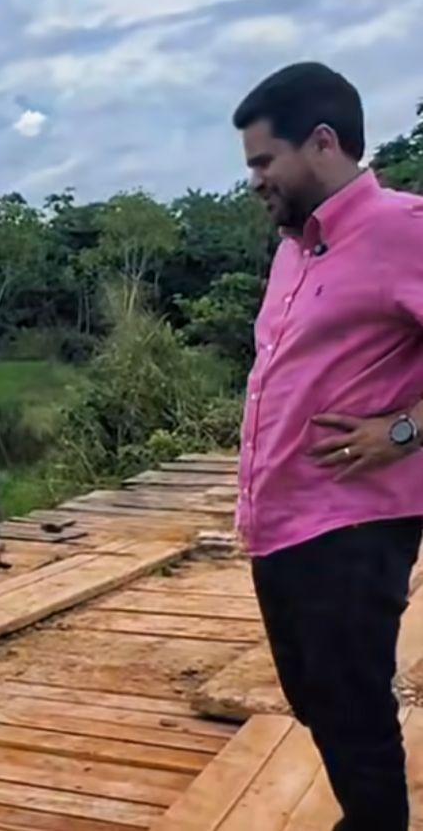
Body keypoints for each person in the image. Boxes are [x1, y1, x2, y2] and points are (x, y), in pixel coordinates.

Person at [232, 61, 423, 831]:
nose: (253, 180)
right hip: (280, 521)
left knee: (352, 705)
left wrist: (404, 429)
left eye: (262, 160)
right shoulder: (293, 247)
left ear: (321, 143)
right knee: (317, 695)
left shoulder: (405, 229)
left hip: (354, 523)